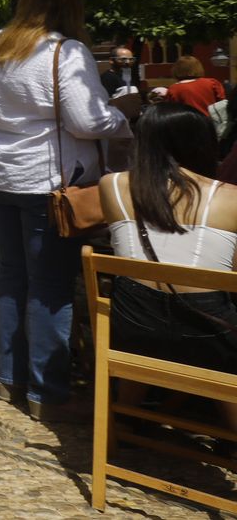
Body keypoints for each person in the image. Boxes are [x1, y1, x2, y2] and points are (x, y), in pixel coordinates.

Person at [0, 0, 129, 423]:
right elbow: (87, 121)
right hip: (47, 182)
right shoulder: (66, 51)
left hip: (0, 175)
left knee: (11, 275)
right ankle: (47, 391)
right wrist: (123, 116)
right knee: (49, 285)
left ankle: (9, 376)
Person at [100, 103, 237, 429]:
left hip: (132, 331)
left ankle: (125, 420)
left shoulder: (112, 186)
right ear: (202, 143)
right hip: (209, 338)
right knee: (217, 331)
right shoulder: (230, 197)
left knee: (142, 304)